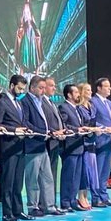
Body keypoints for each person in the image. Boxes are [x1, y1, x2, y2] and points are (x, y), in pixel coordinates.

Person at [0, 74, 32, 221]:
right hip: (8, 146)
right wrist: (14, 130)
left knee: (18, 181)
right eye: (19, 89)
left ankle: (18, 210)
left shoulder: (19, 102)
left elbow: (22, 121)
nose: (21, 92)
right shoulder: (2, 102)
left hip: (20, 146)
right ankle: (7, 212)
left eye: (23, 89)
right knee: (8, 181)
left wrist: (26, 130)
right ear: (11, 86)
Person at [21, 76, 62, 217]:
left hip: (43, 144)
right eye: (40, 88)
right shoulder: (25, 101)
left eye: (44, 88)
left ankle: (49, 206)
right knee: (32, 179)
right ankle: (33, 206)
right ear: (32, 88)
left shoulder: (40, 101)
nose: (43, 91)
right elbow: (26, 123)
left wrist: (49, 132)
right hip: (32, 145)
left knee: (47, 177)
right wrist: (41, 133)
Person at [58, 84, 88, 212]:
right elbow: (64, 125)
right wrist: (77, 129)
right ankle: (65, 202)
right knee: (68, 176)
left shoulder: (77, 108)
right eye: (75, 92)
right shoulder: (63, 107)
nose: (78, 94)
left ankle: (72, 200)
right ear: (69, 95)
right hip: (70, 146)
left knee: (76, 177)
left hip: (79, 145)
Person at [91, 77, 111, 208]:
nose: (109, 88)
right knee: (97, 170)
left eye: (109, 86)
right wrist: (104, 128)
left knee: (106, 170)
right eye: (106, 86)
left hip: (109, 140)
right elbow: (92, 121)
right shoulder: (93, 101)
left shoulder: (109, 103)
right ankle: (96, 198)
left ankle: (104, 196)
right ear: (99, 88)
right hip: (99, 140)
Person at [41, 76, 67, 209]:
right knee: (46, 175)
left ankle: (52, 203)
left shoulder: (51, 102)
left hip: (56, 142)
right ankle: (45, 204)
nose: (54, 88)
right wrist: (54, 132)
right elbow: (44, 122)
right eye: (51, 85)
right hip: (48, 142)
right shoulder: (41, 102)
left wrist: (63, 131)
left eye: (54, 85)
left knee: (53, 174)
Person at [76, 82, 101, 209]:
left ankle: (87, 196)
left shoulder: (92, 106)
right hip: (84, 142)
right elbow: (81, 125)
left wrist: (101, 129)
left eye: (90, 90)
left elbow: (95, 122)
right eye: (87, 90)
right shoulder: (79, 108)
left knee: (92, 172)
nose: (90, 92)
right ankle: (81, 197)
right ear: (81, 92)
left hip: (92, 142)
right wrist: (91, 130)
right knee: (84, 172)